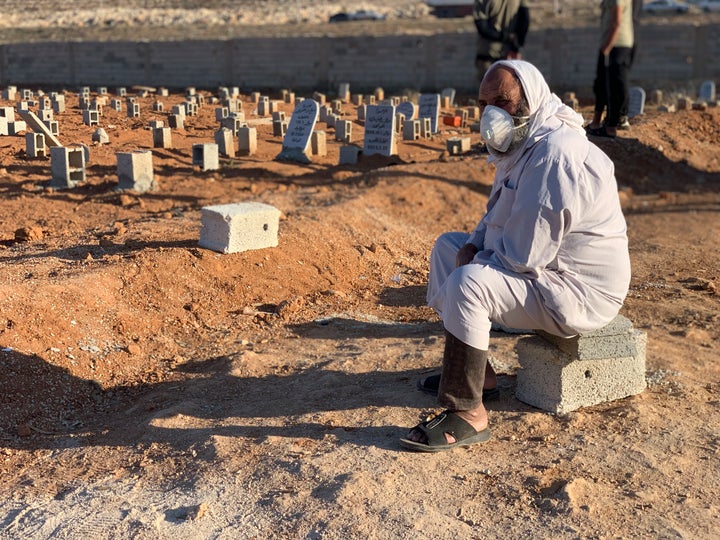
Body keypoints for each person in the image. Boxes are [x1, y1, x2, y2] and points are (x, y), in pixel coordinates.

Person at [400, 60, 631, 452]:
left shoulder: (556, 155)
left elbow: (524, 255)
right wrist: (472, 246)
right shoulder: (524, 146)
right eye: (485, 103)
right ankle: (479, 377)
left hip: (578, 290)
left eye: (503, 101)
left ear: (531, 99)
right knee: (447, 249)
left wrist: (475, 264)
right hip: (547, 270)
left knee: (468, 282)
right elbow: (496, 216)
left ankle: (467, 413)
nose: (492, 113)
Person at [585, 0, 634, 139]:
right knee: (605, 84)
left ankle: (611, 127)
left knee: (614, 86)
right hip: (615, 44)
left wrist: (607, 47)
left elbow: (616, 22)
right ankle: (602, 123)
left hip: (615, 45)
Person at [473, 0, 530, 82]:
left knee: (489, 91)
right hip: (510, 54)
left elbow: (482, 28)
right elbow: (525, 19)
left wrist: (505, 37)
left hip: (488, 53)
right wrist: (516, 45)